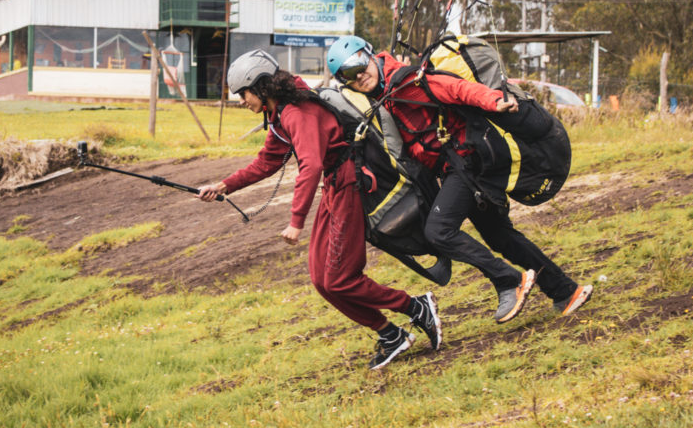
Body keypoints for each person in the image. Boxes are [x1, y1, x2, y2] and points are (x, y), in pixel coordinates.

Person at [197, 49, 443, 370]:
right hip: (335, 186)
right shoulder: (279, 114)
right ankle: (390, 334)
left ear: (259, 86)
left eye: (242, 94)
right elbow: (267, 161)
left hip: (349, 185)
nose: (241, 101)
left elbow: (310, 166)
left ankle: (416, 307)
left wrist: (296, 221)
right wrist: (224, 186)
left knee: (340, 278)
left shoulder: (297, 112)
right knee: (322, 280)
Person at [326, 36, 593, 325]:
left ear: (369, 55)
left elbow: (456, 89)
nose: (360, 75)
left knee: (439, 231)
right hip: (459, 168)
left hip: (468, 162)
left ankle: (509, 281)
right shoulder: (380, 98)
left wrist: (493, 101)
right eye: (349, 75)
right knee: (499, 236)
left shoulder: (406, 82)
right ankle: (566, 291)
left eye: (360, 65)